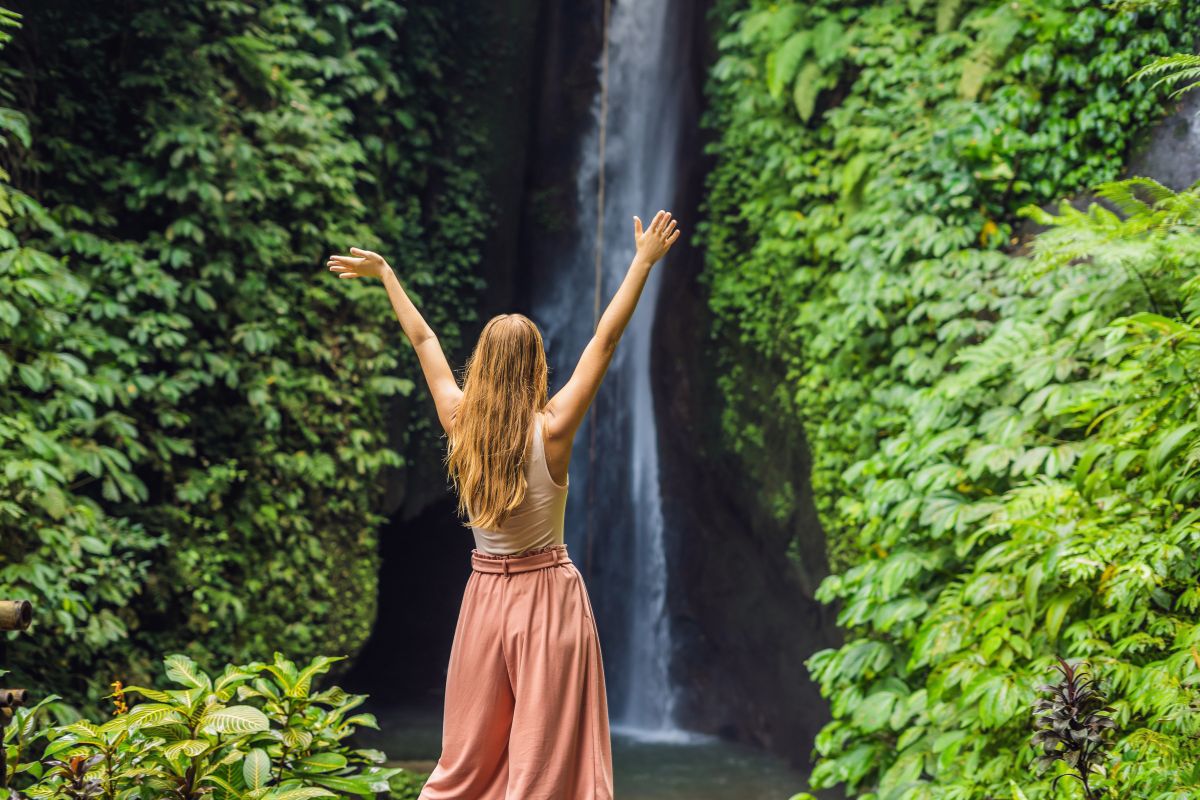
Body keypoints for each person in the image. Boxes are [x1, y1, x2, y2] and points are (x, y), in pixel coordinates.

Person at [326, 209, 681, 799]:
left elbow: (423, 339)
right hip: (549, 599)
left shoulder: (459, 423)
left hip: (485, 598)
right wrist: (642, 261)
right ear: (538, 366)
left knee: (466, 759)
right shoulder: (556, 428)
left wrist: (386, 273)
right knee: (546, 762)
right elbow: (605, 338)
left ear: (483, 367)